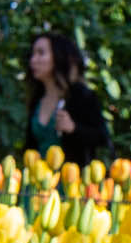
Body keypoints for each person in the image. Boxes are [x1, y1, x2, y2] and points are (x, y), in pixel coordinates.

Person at [26, 31, 108, 164]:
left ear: (58, 57)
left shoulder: (82, 96)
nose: (33, 60)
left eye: (41, 53)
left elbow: (102, 137)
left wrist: (73, 128)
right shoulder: (37, 99)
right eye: (32, 54)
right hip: (37, 179)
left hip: (71, 179)